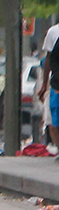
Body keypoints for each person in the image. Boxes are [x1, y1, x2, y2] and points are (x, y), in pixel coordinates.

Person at [37, 21, 59, 150]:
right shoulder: (54, 32)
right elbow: (49, 60)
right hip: (56, 85)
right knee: (52, 121)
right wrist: (44, 84)